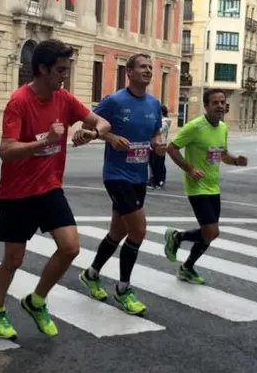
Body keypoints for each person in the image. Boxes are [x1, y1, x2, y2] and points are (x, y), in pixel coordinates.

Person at [0, 39, 111, 339]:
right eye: (60, 70)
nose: (64, 75)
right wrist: (44, 142)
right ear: (43, 69)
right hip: (16, 193)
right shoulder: (19, 101)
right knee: (14, 260)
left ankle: (36, 300)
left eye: (66, 69)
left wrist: (90, 132)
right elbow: (6, 150)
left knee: (70, 247)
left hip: (50, 187)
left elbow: (103, 123)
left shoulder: (64, 99)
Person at [71, 53, 165, 315]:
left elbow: (155, 132)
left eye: (150, 67)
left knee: (118, 232)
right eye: (142, 67)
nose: (148, 71)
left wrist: (157, 144)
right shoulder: (114, 101)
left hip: (139, 175)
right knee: (138, 231)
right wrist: (110, 137)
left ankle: (91, 274)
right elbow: (89, 125)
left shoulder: (154, 104)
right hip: (116, 175)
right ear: (129, 72)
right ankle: (124, 288)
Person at [162, 89, 247, 284]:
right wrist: (189, 168)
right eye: (214, 102)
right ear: (206, 106)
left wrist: (236, 161)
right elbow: (172, 148)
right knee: (211, 231)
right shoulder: (195, 127)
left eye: (222, 102)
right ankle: (177, 237)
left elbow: (222, 155)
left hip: (213, 186)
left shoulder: (223, 128)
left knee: (210, 233)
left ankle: (187, 267)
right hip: (197, 186)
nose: (219, 106)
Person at [148, 105, 172, 189]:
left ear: (161, 112)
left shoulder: (165, 122)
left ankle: (159, 181)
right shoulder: (158, 120)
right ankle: (153, 180)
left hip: (160, 145)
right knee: (152, 163)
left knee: (158, 163)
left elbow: (158, 130)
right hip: (152, 144)